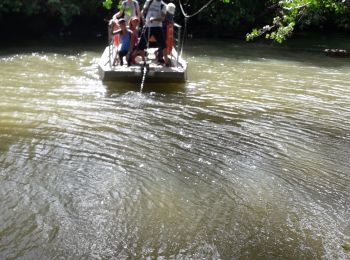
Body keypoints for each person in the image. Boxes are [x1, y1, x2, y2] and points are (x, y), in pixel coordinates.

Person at [136, 0, 170, 66]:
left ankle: (166, 62)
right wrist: (143, 17)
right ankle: (143, 61)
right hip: (147, 26)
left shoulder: (163, 5)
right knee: (141, 45)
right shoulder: (148, 1)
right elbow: (143, 11)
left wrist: (154, 19)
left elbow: (162, 18)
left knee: (163, 44)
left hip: (157, 27)